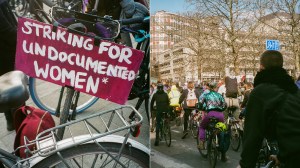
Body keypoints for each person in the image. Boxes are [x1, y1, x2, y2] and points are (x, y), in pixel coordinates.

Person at [239, 50, 300, 168]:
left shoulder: (260, 92)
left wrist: (245, 164)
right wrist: (282, 157)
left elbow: (253, 134)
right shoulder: (294, 90)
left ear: (261, 67)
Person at [198, 82, 228, 162]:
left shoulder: (206, 95)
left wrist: (202, 107)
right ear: (216, 88)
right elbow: (225, 105)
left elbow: (200, 104)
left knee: (202, 126)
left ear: (209, 87)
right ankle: (223, 155)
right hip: (220, 116)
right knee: (221, 131)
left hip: (210, 114)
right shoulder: (220, 95)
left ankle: (202, 142)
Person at [0, 0, 18, 131]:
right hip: (4, 50)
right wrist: (21, 39)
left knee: (5, 84)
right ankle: (18, 120)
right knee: (13, 85)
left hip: (5, 49)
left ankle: (11, 120)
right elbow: (5, 29)